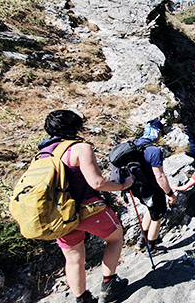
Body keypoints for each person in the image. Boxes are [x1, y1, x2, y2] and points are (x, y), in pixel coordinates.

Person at [40, 110, 133, 303]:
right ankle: (109, 283)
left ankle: (82, 299)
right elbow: (97, 183)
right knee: (115, 238)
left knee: (73, 258)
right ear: (74, 127)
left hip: (60, 215)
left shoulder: (44, 154)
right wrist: (123, 186)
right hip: (89, 209)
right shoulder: (80, 148)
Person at [133, 119, 177, 254]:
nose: (161, 137)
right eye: (160, 134)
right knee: (157, 216)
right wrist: (170, 194)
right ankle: (151, 248)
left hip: (137, 188)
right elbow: (160, 177)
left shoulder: (134, 144)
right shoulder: (154, 151)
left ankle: (141, 241)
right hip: (152, 188)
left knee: (149, 209)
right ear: (156, 132)